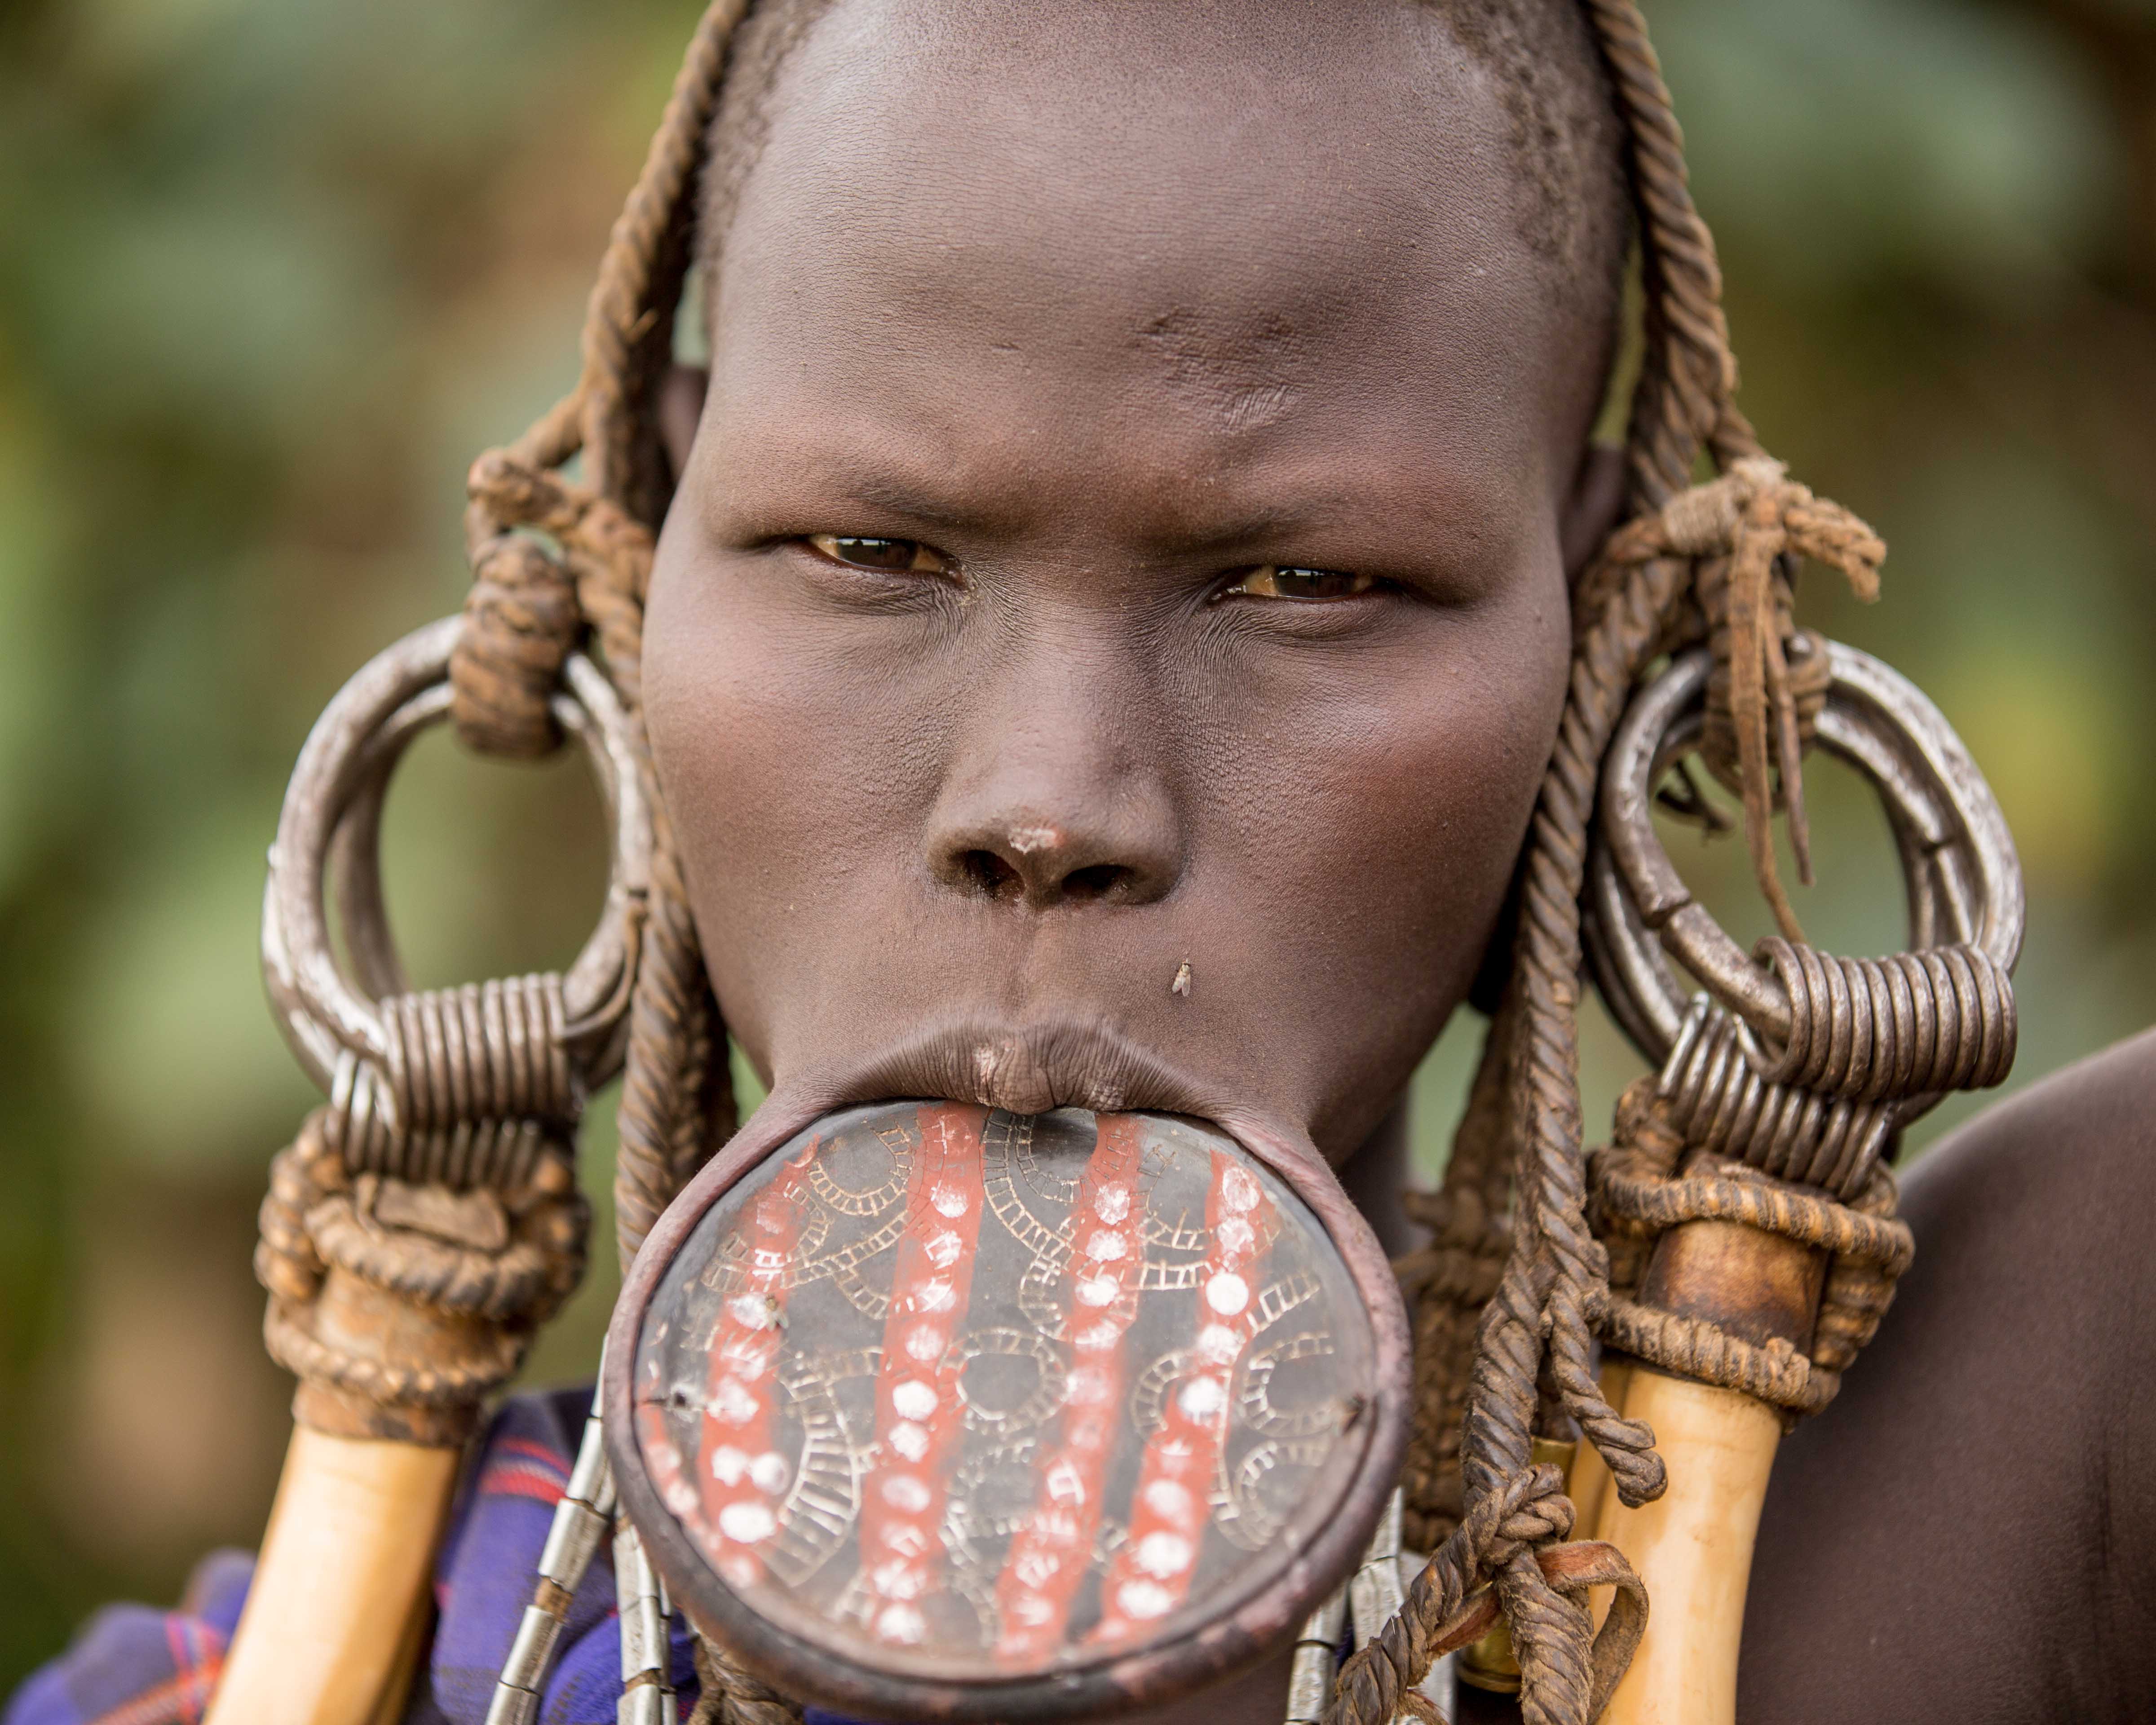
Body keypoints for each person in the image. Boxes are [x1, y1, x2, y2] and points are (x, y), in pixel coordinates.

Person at [12, 2, 2152, 1723]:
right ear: (648, 554)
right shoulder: (304, 1671)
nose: (1049, 801)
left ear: (1603, 639)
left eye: (1307, 582)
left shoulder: (1931, 1546)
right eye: (870, 553)